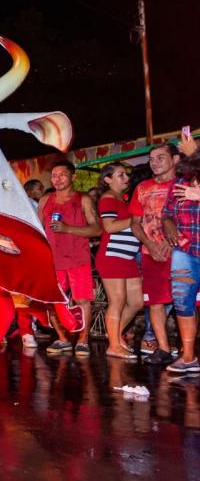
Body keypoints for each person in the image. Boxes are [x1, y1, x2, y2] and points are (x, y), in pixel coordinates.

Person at [38, 161, 102, 356]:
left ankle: (83, 340)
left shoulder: (83, 200)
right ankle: (63, 339)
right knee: (52, 301)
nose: (57, 179)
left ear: (73, 177)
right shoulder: (45, 200)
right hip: (53, 260)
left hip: (78, 258)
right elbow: (38, 229)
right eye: (54, 176)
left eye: (62, 175)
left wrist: (68, 229)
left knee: (82, 300)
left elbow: (97, 228)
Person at [130, 144, 180, 365]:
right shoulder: (142, 187)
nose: (155, 162)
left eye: (161, 157)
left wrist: (175, 244)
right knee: (155, 302)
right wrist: (149, 245)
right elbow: (134, 223)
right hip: (151, 254)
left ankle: (188, 350)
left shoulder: (186, 184)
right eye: (151, 158)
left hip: (181, 252)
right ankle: (163, 349)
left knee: (185, 302)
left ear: (176, 159)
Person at [95, 163, 143, 359]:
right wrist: (135, 220)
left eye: (126, 175)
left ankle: (114, 335)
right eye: (120, 175)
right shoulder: (107, 199)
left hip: (127, 258)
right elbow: (109, 227)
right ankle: (114, 345)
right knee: (118, 301)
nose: (126, 178)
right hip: (112, 256)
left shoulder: (122, 199)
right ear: (108, 180)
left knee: (136, 302)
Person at [162, 153, 200, 373]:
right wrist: (169, 225)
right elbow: (167, 212)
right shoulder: (179, 183)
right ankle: (188, 357)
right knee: (182, 302)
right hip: (185, 250)